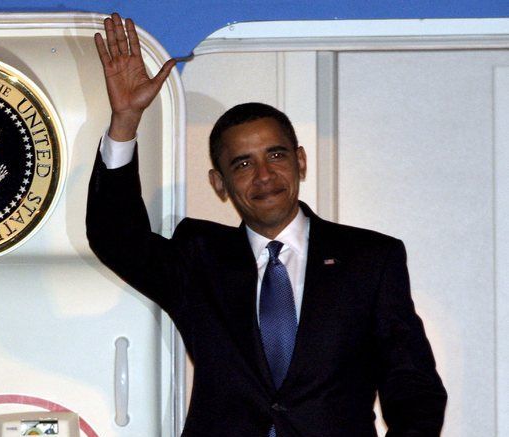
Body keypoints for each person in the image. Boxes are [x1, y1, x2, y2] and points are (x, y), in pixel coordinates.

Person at [86, 13, 447, 437]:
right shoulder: (199, 258)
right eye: (242, 164)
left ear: (300, 161)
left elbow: (414, 387)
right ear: (218, 183)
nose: (263, 175)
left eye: (276, 156)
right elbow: (115, 238)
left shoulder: (371, 259)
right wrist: (125, 120)